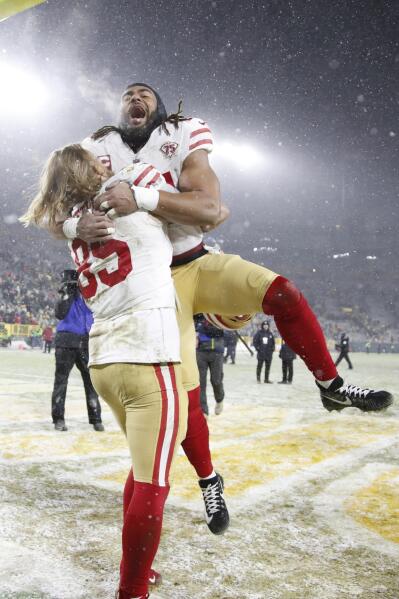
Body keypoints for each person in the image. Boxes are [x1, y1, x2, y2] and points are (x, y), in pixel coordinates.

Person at [57, 84, 392, 433]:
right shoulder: (93, 149)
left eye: (145, 94)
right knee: (184, 399)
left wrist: (141, 197)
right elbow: (49, 211)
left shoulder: (181, 134)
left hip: (195, 261)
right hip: (150, 288)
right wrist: (73, 226)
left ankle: (331, 386)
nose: (135, 98)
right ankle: (208, 479)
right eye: (127, 95)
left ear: (161, 109)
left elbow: (209, 208)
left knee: (283, 293)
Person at [20, 145, 192, 599]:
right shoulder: (130, 187)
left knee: (143, 468)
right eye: (98, 160)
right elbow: (208, 214)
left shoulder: (79, 220)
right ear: (91, 169)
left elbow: (54, 218)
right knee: (154, 482)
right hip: (147, 353)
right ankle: (132, 588)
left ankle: (136, 569)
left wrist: (72, 222)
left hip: (106, 361)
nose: (106, 161)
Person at [51, 269, 104, 432]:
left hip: (85, 341)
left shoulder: (89, 295)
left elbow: (97, 313)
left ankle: (96, 418)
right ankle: (58, 419)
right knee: (61, 382)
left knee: (91, 382)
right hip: (67, 340)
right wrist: (66, 293)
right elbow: (59, 314)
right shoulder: (66, 295)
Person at [195, 313, 225, 416]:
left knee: (216, 380)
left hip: (216, 350)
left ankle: (219, 399)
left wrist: (203, 327)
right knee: (200, 382)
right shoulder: (198, 316)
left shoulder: (218, 314)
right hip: (201, 351)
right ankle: (204, 411)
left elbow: (217, 331)